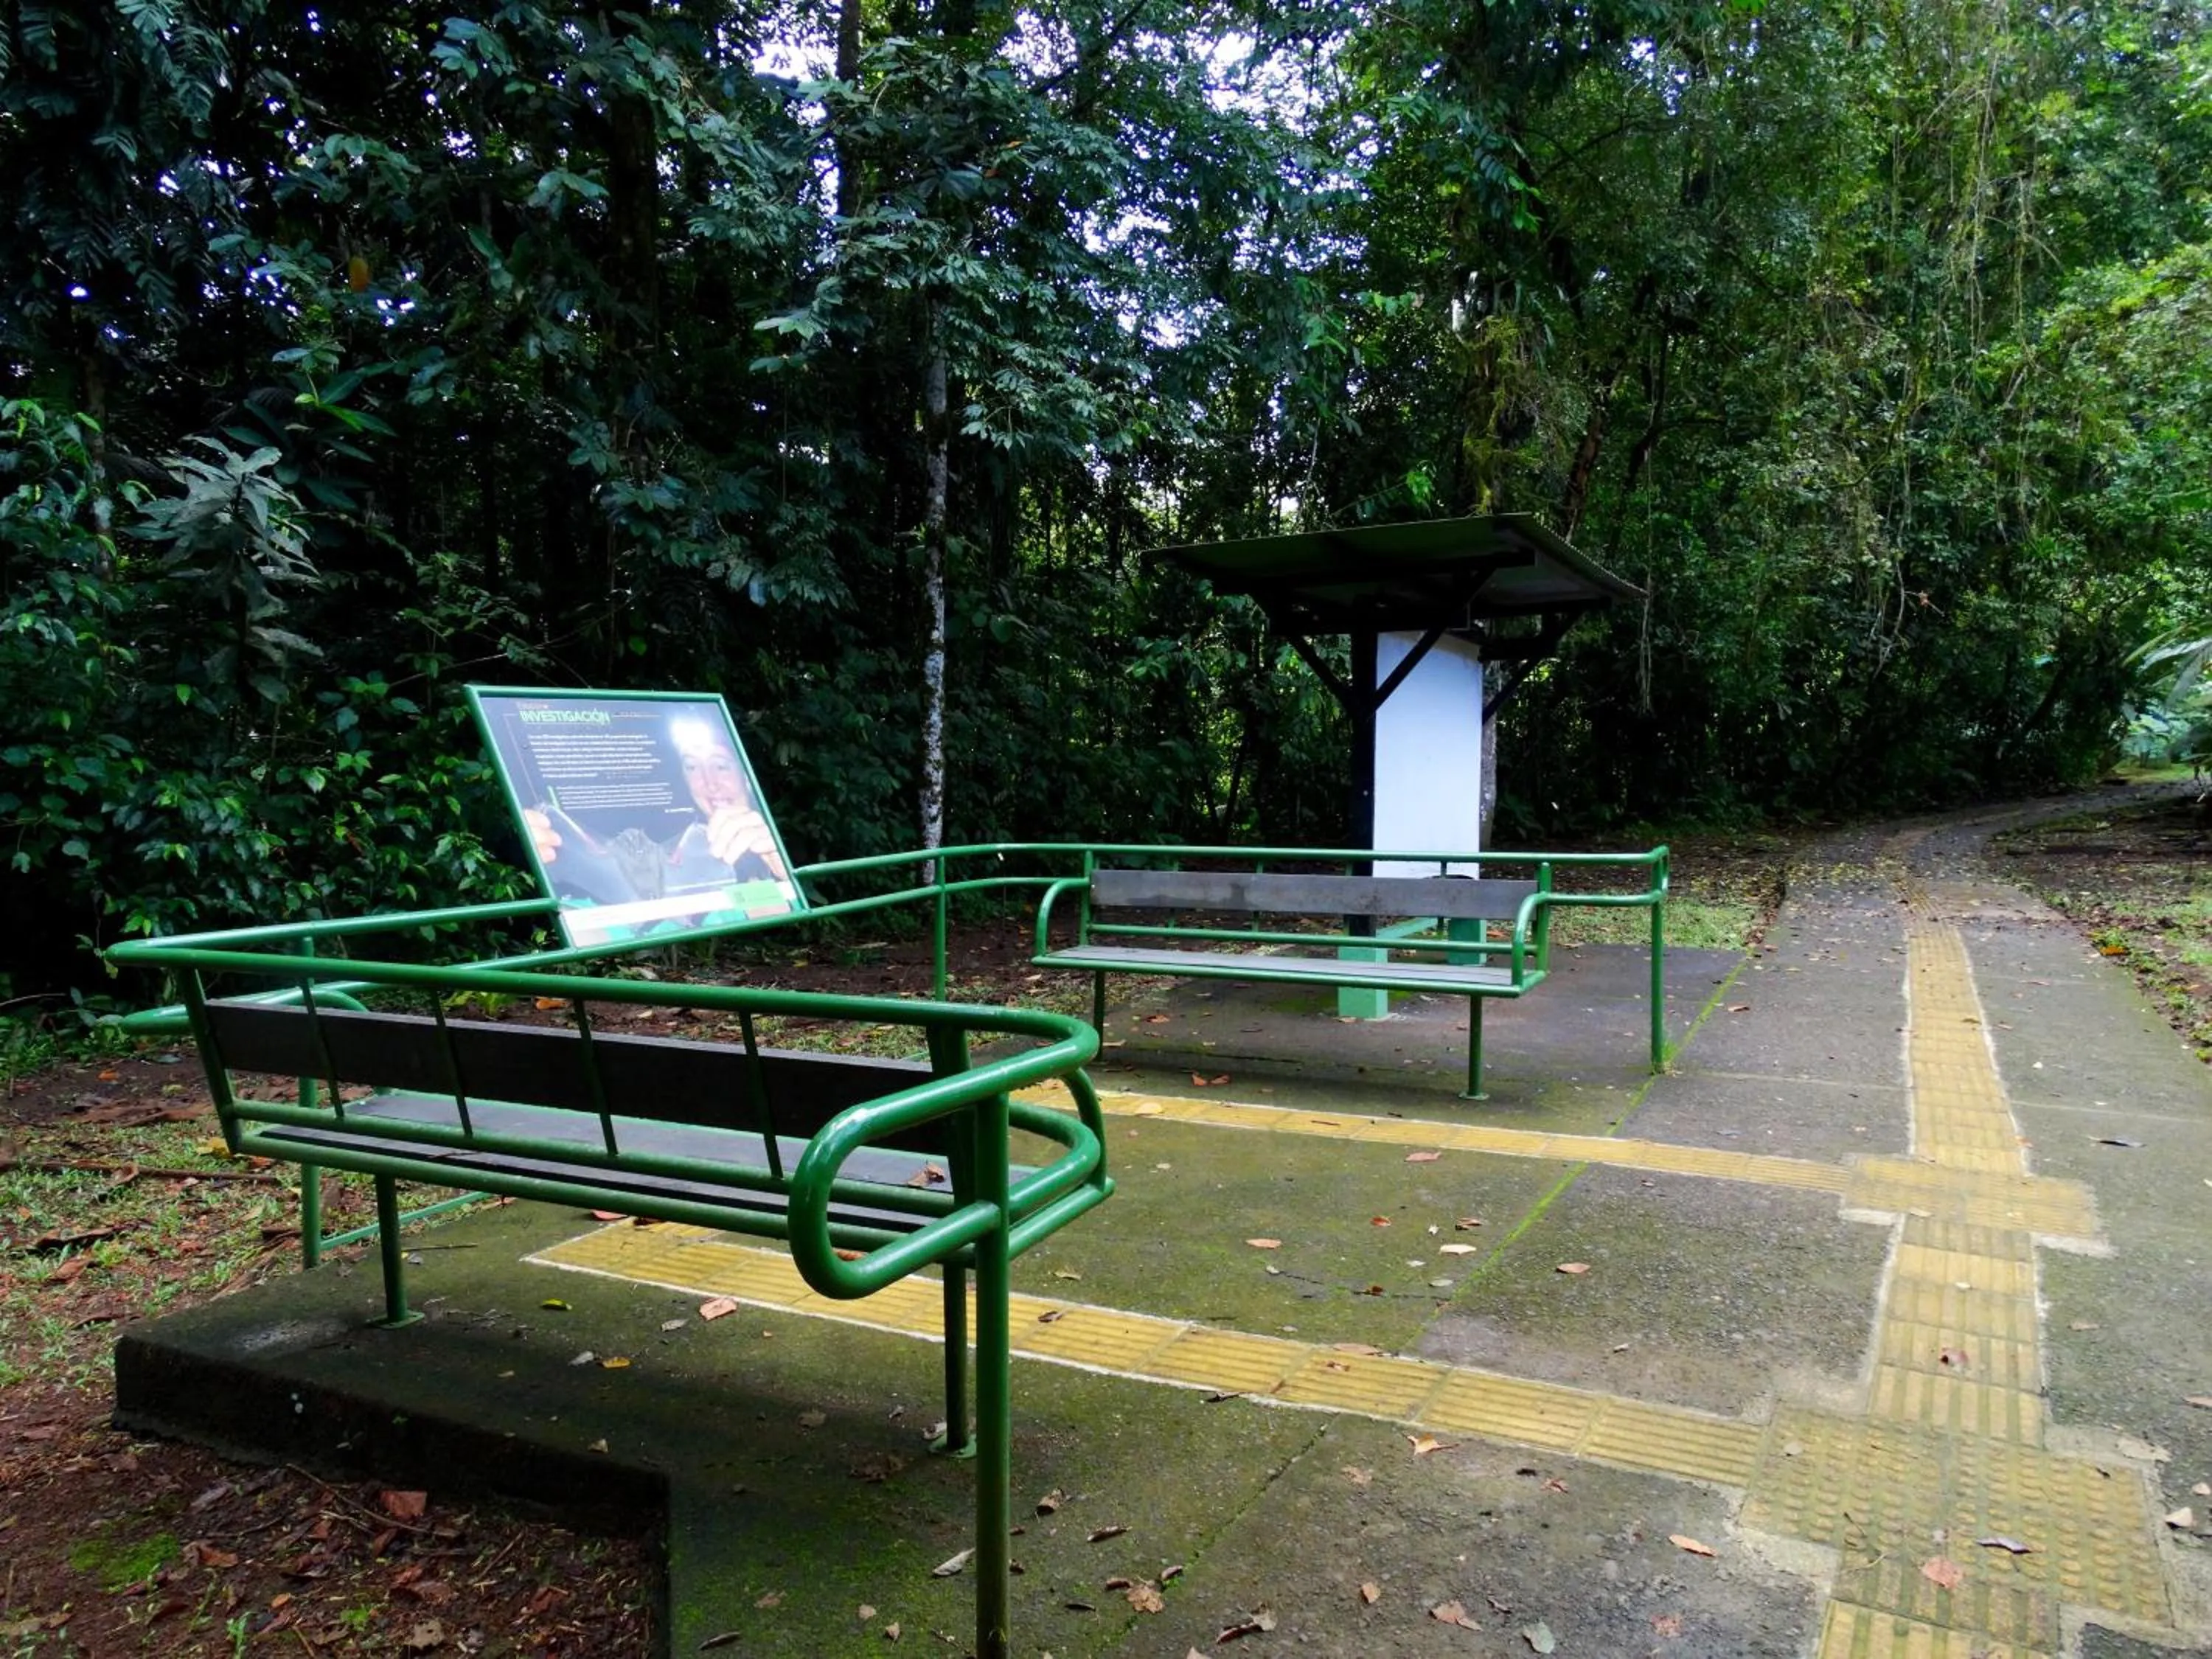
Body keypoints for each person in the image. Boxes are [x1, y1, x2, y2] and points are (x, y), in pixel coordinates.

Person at [521, 714, 787, 908]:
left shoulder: (774, 839)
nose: (709, 782)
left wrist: (780, 870)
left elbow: (781, 924)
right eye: (692, 767)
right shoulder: (679, 844)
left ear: (747, 777)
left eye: (721, 766)